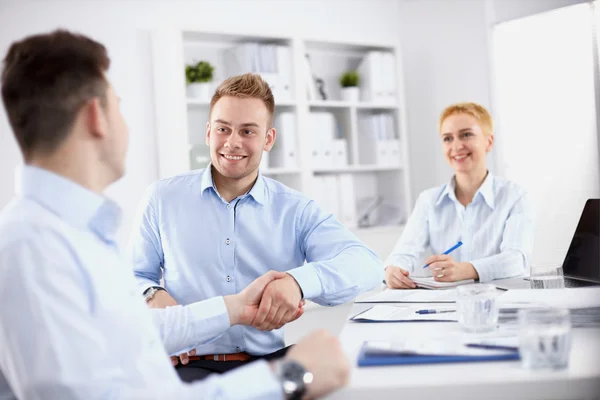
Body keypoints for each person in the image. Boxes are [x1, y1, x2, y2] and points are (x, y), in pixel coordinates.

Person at [0, 29, 349, 400]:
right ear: (95, 118)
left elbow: (133, 330)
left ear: (267, 138)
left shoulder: (71, 234)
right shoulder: (31, 247)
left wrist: (236, 308)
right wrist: (291, 377)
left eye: (247, 130)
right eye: (118, 106)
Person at [129, 73, 383, 380]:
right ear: (208, 132)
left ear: (268, 139)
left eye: (248, 131)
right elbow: (132, 276)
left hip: (268, 361)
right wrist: (151, 293)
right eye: (223, 129)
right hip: (188, 364)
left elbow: (367, 265)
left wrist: (297, 282)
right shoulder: (162, 198)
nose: (232, 142)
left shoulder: (294, 209)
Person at [384, 102, 534, 289]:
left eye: (466, 135)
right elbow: (404, 252)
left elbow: (516, 259)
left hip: (499, 304)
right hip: (445, 305)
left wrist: (468, 269)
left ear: (489, 142)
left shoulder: (514, 196)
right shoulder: (429, 200)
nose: (456, 146)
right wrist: (394, 269)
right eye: (448, 138)